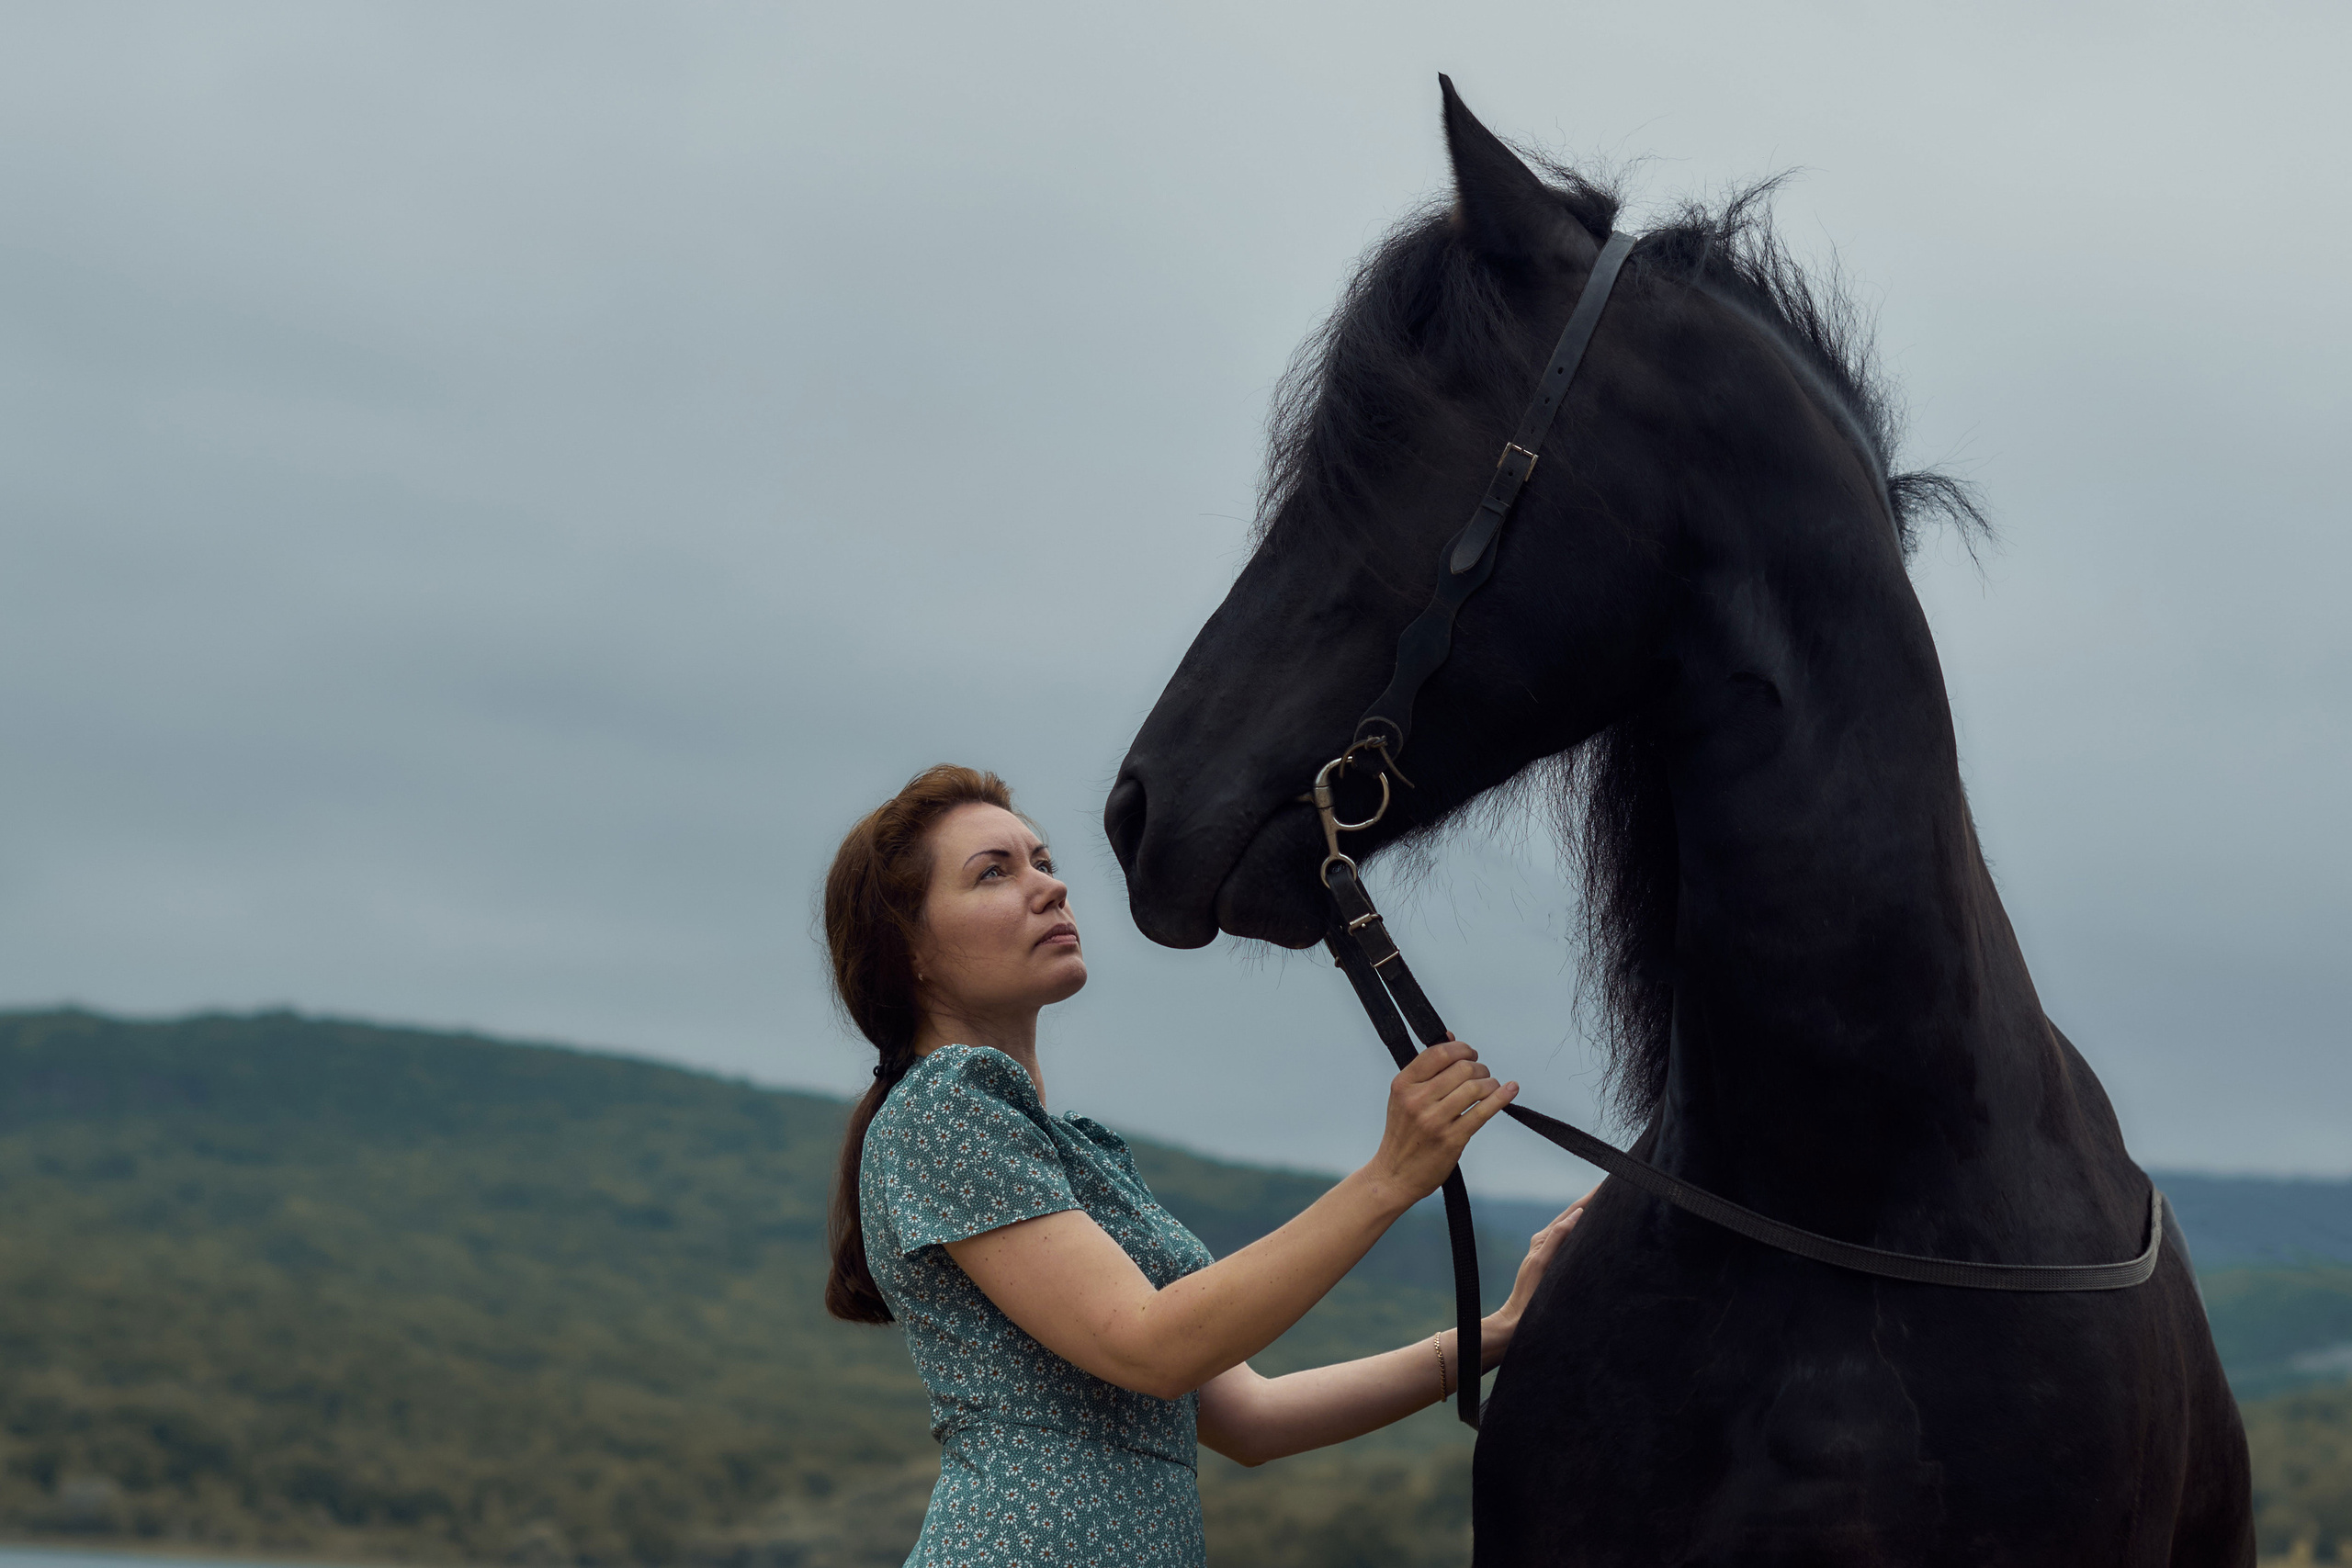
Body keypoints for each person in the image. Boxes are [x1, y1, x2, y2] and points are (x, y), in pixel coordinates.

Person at [822, 764, 1587, 1567]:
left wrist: (1496, 1333)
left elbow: (1253, 1418)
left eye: (1043, 861)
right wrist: (1390, 1176)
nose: (1050, 887)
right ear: (908, 948)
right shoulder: (946, 1101)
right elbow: (1152, 1347)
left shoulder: (1074, 1150)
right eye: (994, 872)